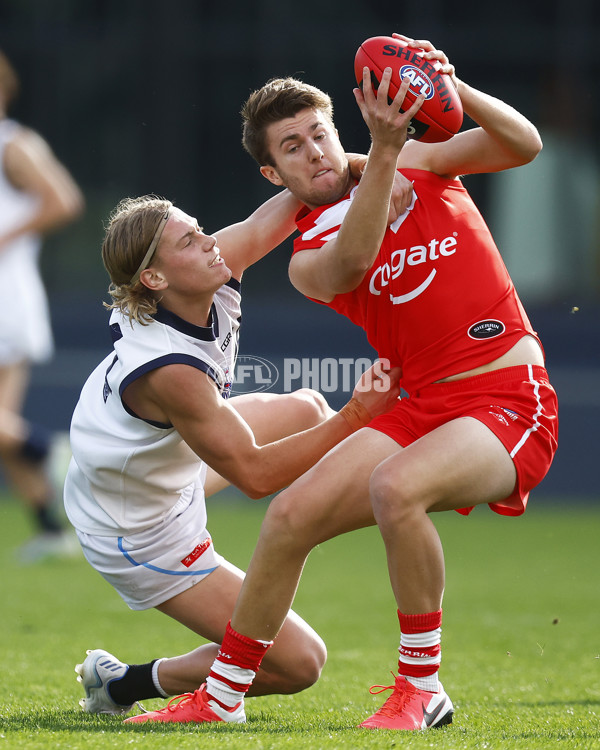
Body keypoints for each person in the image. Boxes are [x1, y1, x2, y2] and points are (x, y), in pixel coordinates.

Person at [124, 34, 559, 730]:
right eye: (291, 147)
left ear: (338, 128)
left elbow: (523, 143)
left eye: (318, 133)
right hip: (425, 406)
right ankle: (224, 693)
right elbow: (353, 261)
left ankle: (422, 688)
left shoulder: (418, 160)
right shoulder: (308, 254)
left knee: (396, 488)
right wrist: (385, 151)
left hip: (509, 399)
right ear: (273, 176)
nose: (314, 151)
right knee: (288, 518)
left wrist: (450, 87)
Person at [67, 191, 401, 719]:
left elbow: (288, 205)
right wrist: (359, 413)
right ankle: (126, 684)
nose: (210, 242)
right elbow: (254, 474)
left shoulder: (203, 270)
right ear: (154, 279)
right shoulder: (170, 368)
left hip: (151, 471)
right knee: (299, 663)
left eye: (199, 229)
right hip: (139, 532)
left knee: (307, 409)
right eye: (190, 240)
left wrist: (360, 167)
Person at [0, 49, 85, 562]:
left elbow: (62, 199)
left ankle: (52, 454)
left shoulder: (13, 143)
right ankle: (52, 530)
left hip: (6, 297)